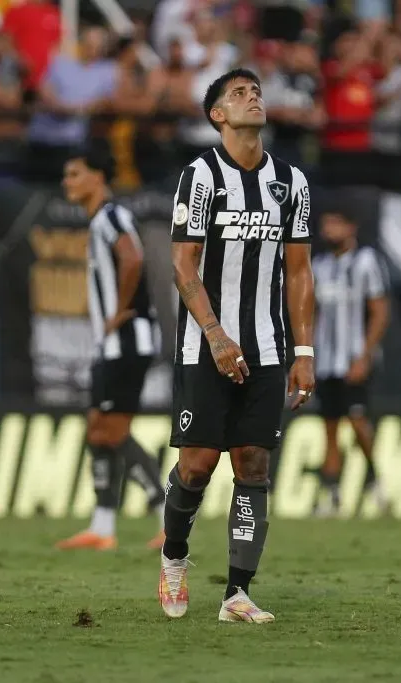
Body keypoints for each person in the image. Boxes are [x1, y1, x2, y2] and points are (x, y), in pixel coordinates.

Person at [160, 68, 316, 623]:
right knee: (198, 467)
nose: (254, 96)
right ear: (217, 116)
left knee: (252, 465)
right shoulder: (199, 177)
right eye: (239, 93)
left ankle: (236, 594)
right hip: (206, 345)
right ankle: (174, 556)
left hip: (269, 347)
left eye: (257, 89)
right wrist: (215, 334)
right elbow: (183, 265)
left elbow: (299, 273)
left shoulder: (290, 182)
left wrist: (304, 352)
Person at [54, 146, 166, 552]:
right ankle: (102, 528)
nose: (68, 182)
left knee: (112, 430)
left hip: (127, 341)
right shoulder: (100, 221)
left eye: (75, 173)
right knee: (98, 430)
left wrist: (119, 309)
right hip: (112, 345)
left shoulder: (110, 216)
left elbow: (133, 258)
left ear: (98, 177)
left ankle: (168, 515)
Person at [312, 209, 391, 517]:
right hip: (326, 361)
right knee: (329, 427)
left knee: (357, 422)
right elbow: (312, 313)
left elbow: (380, 311)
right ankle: (331, 494)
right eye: (325, 223)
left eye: (335, 223)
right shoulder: (319, 265)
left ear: (350, 227)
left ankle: (374, 479)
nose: (329, 229)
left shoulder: (366, 262)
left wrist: (365, 354)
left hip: (354, 358)